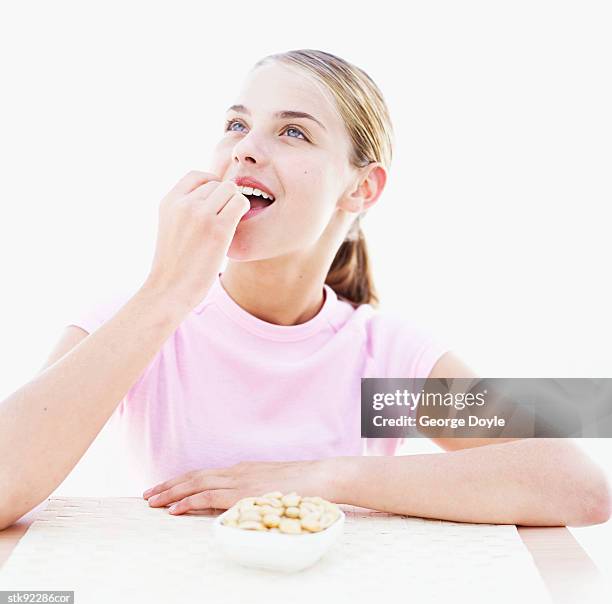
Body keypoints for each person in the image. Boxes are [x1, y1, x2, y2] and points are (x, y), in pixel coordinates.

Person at [0, 50, 608, 529]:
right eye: (237, 124)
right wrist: (164, 294)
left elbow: (576, 485)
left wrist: (324, 478)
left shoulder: (383, 360)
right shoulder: (133, 322)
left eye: (293, 132)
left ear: (362, 190)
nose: (245, 147)